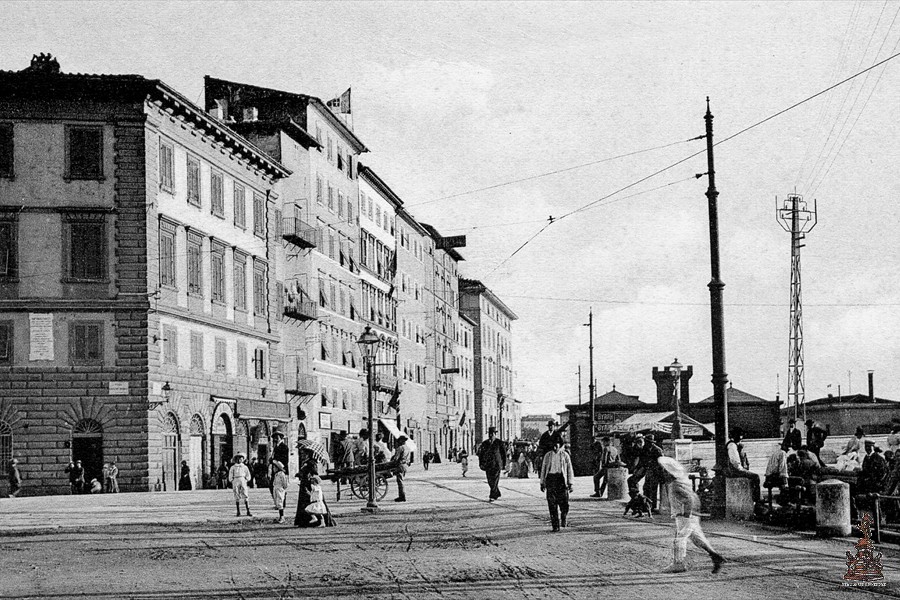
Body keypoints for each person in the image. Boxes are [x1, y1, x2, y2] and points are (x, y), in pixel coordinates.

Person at [658, 457, 724, 574]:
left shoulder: (675, 485)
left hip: (684, 515)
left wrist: (686, 515)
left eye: (665, 471)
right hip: (691, 514)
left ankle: (678, 563)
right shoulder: (682, 481)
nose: (664, 474)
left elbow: (688, 499)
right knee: (697, 538)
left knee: (680, 539)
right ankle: (715, 555)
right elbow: (693, 497)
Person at [540, 434, 574, 532]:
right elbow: (543, 469)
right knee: (551, 503)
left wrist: (570, 483)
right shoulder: (548, 456)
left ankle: (563, 516)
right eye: (553, 445)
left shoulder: (565, 455)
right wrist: (542, 482)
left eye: (557, 445)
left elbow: (569, 470)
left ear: (560, 445)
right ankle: (555, 526)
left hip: (561, 480)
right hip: (550, 479)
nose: (555, 447)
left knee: (564, 503)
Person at [294, 447, 335, 527]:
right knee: (304, 503)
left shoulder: (312, 463)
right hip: (304, 484)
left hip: (310, 485)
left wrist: (308, 476)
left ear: (308, 454)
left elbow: (314, 474)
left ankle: (319, 521)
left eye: (304, 454)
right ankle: (305, 522)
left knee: (313, 503)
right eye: (302, 454)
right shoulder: (305, 462)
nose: (302, 456)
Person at [725, 428, 761, 503]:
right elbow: (735, 462)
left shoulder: (735, 445)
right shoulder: (732, 446)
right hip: (734, 470)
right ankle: (757, 500)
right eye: (740, 435)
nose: (741, 438)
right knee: (756, 477)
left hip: (734, 469)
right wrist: (742, 469)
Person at [477, 426, 506, 502]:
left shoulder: (499, 443)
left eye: (493, 433)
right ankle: (497, 492)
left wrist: (504, 464)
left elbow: (504, 454)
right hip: (488, 465)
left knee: (495, 480)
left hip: (497, 464)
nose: (491, 435)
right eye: (490, 434)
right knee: (490, 481)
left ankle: (492, 495)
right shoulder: (485, 443)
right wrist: (481, 463)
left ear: (495, 434)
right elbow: (481, 455)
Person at [228, 453, 253, 517]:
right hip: (236, 480)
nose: (239, 460)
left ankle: (248, 510)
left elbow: (248, 475)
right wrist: (232, 480)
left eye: (241, 458)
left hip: (242, 479)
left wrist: (246, 480)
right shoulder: (233, 467)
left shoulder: (245, 467)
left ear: (243, 459)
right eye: (238, 458)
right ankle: (238, 511)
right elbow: (230, 475)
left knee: (245, 494)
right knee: (236, 494)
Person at [392, 435, 412, 502]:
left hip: (400, 465)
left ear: (402, 441)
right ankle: (402, 495)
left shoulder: (400, 448)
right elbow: (409, 459)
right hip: (405, 465)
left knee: (400, 481)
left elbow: (396, 458)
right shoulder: (408, 448)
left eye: (399, 440)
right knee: (401, 480)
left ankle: (402, 496)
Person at [270, 428, 290, 496]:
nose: (275, 439)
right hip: (275, 469)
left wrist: (275, 461)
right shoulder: (275, 447)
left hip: (281, 469)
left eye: (277, 437)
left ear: (281, 438)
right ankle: (277, 501)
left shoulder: (284, 447)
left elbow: (285, 459)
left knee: (281, 487)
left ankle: (282, 501)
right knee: (272, 486)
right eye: (275, 437)